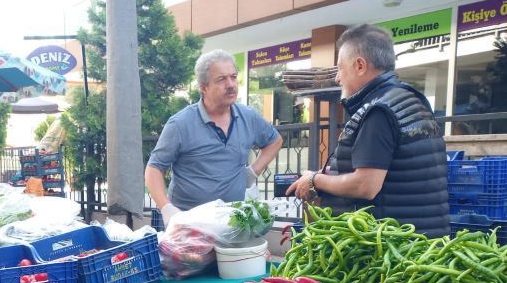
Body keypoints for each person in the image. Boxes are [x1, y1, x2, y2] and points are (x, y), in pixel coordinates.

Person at [287, 24, 449, 238]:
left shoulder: (379, 111)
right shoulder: (410, 100)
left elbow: (366, 185)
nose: (337, 78)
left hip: (394, 249)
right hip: (419, 242)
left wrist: (314, 180)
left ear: (360, 66)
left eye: (340, 69)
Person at [146, 49, 283, 226]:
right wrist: (166, 208)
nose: (231, 84)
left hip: (232, 222)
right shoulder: (180, 124)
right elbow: (154, 168)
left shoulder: (248, 116)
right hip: (189, 225)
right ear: (203, 87)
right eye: (221, 79)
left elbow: (275, 140)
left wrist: (252, 171)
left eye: (233, 77)